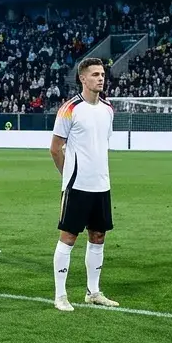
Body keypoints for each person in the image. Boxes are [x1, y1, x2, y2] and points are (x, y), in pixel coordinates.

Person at [49, 57, 119, 312]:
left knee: (98, 236)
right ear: (82, 78)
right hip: (77, 185)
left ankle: (93, 292)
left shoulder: (108, 108)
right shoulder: (70, 108)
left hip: (101, 185)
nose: (101, 78)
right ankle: (60, 295)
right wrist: (68, 176)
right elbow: (55, 148)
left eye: (102, 74)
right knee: (69, 237)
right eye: (95, 75)